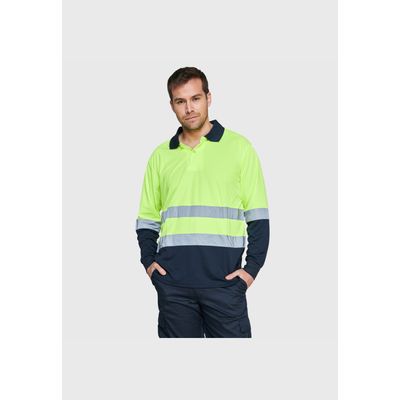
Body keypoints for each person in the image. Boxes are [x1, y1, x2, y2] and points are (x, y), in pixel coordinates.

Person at [135, 66, 270, 338]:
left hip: (225, 285)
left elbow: (258, 217)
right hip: (174, 288)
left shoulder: (239, 148)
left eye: (195, 98)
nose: (189, 108)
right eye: (180, 101)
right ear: (172, 105)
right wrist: (149, 264)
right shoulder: (161, 156)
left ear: (209, 98)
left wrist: (250, 271)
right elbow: (147, 218)